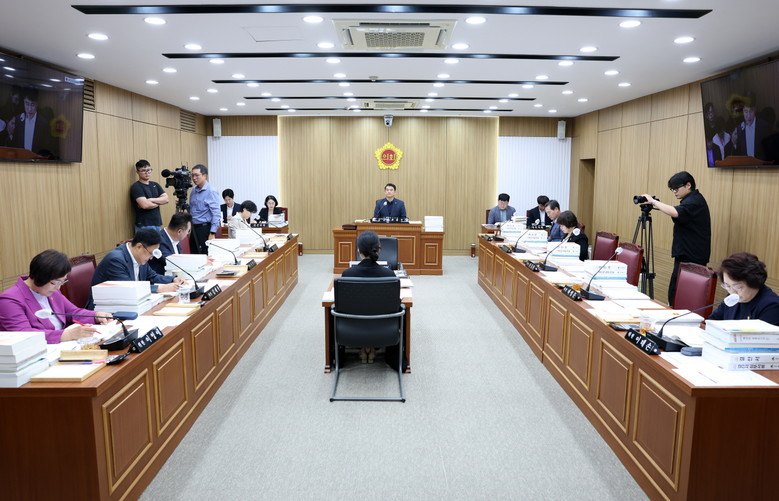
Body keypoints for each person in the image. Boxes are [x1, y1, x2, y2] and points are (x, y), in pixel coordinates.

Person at [0, 250, 111, 344]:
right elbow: (24, 335)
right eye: (54, 283)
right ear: (39, 277)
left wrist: (96, 316)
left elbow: (72, 312)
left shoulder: (51, 290)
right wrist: (67, 334)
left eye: (62, 282)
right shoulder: (9, 300)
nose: (58, 288)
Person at [640, 170, 711, 306]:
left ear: (688, 185)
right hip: (686, 254)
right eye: (672, 189)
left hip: (692, 256)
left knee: (682, 293)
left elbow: (675, 212)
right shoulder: (690, 200)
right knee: (675, 290)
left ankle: (675, 311)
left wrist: (653, 202)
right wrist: (655, 203)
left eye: (676, 189)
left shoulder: (695, 201)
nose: (674, 192)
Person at [89, 228, 185, 308]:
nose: (151, 258)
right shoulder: (116, 260)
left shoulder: (140, 257)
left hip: (131, 305)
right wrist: (161, 288)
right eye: (151, 253)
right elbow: (128, 289)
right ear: (139, 247)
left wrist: (173, 279)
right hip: (104, 312)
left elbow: (152, 276)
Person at [342, 231, 396, 364]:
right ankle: (379, 350)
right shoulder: (389, 275)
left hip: (351, 328)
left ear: (358, 250)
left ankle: (352, 352)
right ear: (379, 250)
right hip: (384, 328)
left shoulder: (347, 275)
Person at [708, 252, 779, 325]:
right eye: (727, 286)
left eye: (738, 287)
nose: (732, 292)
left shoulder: (772, 307)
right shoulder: (732, 298)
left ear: (753, 282)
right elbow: (712, 321)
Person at [7, 86, 56, 158]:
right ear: (23, 102)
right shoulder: (18, 119)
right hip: (19, 161)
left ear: (37, 104)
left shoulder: (44, 124)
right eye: (27, 104)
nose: (29, 109)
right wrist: (11, 135)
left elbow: (47, 149)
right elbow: (13, 146)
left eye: (32, 104)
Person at [189, 164, 221, 254]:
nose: (194, 178)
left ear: (204, 176)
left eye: (197, 175)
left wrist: (212, 233)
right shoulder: (194, 190)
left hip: (205, 228)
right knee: (194, 254)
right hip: (194, 228)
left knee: (205, 255)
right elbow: (193, 208)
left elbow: (216, 214)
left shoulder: (211, 191)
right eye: (192, 175)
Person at [131, 160, 169, 232]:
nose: (147, 173)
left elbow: (166, 199)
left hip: (157, 223)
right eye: (143, 170)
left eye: (149, 170)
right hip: (144, 225)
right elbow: (145, 205)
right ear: (137, 172)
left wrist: (150, 200)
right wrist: (159, 202)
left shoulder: (155, 185)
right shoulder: (136, 187)